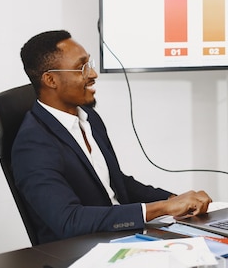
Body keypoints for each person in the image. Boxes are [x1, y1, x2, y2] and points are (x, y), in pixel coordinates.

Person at [12, 30, 212, 244]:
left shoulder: (89, 117)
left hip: (125, 238)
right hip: (83, 252)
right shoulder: (32, 145)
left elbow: (116, 181)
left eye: (90, 64)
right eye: (82, 67)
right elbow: (69, 221)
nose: (93, 74)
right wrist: (161, 209)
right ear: (51, 79)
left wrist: (175, 200)